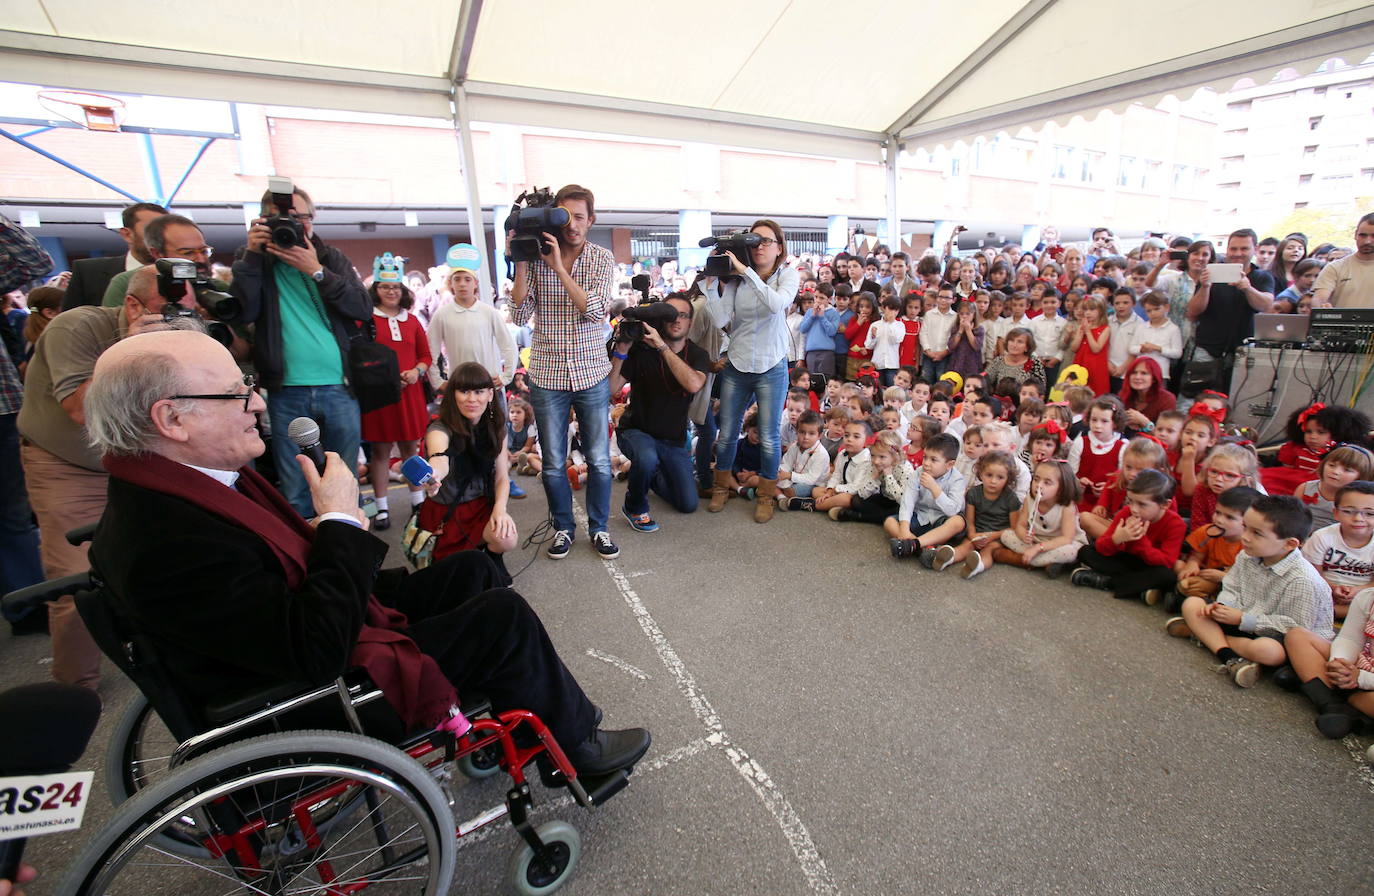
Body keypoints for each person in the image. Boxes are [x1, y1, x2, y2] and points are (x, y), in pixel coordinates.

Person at [85, 330, 651, 778]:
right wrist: (334, 519)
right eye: (236, 392)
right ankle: (577, 743)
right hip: (312, 694)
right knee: (502, 617)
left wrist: (319, 527)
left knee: (475, 568)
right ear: (171, 419)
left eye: (248, 385)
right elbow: (315, 650)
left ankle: (517, 718)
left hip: (305, 634)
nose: (257, 401)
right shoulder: (166, 536)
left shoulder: (181, 489)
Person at [16, 266, 203, 684]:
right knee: (77, 585)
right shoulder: (77, 326)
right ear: (133, 304)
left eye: (186, 309)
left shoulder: (182, 330)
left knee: (172, 563)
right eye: (168, 310)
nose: (179, 318)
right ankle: (76, 692)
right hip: (69, 466)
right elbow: (82, 410)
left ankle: (182, 665)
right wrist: (129, 348)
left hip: (142, 461)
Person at [230, 183, 372, 518]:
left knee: (345, 479)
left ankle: (349, 551)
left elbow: (361, 307)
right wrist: (252, 256)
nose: (291, 224)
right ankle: (306, 561)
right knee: (296, 486)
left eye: (300, 217)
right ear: (262, 221)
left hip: (339, 387)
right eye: (280, 218)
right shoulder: (254, 262)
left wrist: (316, 270)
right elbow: (243, 311)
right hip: (286, 390)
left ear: (312, 220)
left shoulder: (330, 257)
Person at [508, 186, 619, 558]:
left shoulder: (602, 258)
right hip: (547, 373)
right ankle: (563, 528)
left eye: (581, 216)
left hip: (591, 372)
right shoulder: (537, 257)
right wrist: (522, 261)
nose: (573, 225)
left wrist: (558, 267)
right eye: (565, 216)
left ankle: (599, 528)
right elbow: (520, 315)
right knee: (553, 462)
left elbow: (595, 310)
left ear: (592, 220)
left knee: (599, 459)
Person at [1165, 496, 1334, 689]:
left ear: (1289, 544)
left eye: (1257, 533)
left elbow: (1296, 628)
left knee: (1269, 652)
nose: (1245, 537)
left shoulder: (1302, 580)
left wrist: (1244, 619)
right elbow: (1232, 585)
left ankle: (1203, 636)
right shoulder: (1247, 554)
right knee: (1192, 604)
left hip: (1276, 637)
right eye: (1245, 527)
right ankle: (1228, 656)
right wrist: (1221, 607)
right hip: (1240, 620)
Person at [704, 219, 798, 524]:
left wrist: (746, 273)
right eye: (755, 242)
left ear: (780, 247)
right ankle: (721, 488)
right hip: (738, 363)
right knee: (728, 432)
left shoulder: (788, 275)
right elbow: (721, 320)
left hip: (772, 366)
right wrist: (713, 286)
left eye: (766, 241)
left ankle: (766, 495)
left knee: (770, 436)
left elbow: (776, 304)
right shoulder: (737, 278)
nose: (760, 247)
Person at [609, 292, 710, 532]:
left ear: (690, 322)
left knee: (687, 503)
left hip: (673, 440)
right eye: (670, 315)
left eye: (682, 316)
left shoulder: (697, 355)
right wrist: (621, 350)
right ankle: (635, 506)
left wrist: (663, 348)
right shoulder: (641, 351)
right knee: (646, 456)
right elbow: (612, 389)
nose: (676, 320)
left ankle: (650, 476)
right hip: (636, 431)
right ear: (661, 319)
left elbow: (693, 384)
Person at [415, 361, 517, 568]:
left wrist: (500, 509)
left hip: (480, 506)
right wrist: (434, 474)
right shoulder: (439, 428)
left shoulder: (497, 427)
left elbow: (502, 477)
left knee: (506, 536)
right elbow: (439, 458)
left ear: (490, 394)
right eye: (464, 391)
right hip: (446, 511)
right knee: (451, 576)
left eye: (479, 391)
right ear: (453, 394)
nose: (472, 399)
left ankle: (491, 560)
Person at [361, 260, 433, 530]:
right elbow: (359, 356)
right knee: (379, 451)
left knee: (410, 450)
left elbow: (425, 355)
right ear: (376, 289)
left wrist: (417, 371)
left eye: (395, 287)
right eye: (384, 287)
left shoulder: (412, 321)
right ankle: (381, 508)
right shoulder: (365, 321)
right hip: (380, 396)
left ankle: (417, 501)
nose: (390, 292)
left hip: (410, 393)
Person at [426, 244, 518, 414]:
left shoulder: (488, 312)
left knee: (495, 435)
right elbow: (431, 350)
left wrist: (506, 377)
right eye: (457, 279)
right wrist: (437, 381)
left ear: (475, 283)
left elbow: (508, 346)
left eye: (467, 279)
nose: (462, 284)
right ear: (451, 283)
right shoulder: (442, 315)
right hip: (460, 388)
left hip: (488, 386)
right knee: (463, 436)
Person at [1071, 469, 1186, 602]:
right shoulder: (1126, 512)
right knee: (1086, 552)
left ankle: (1107, 582)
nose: (1134, 509)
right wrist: (1116, 539)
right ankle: (1139, 589)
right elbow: (1101, 547)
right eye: (1131, 501)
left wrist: (1141, 540)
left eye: (1142, 504)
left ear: (1165, 505)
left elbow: (1166, 561)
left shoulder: (1176, 524)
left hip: (1150, 565)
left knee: (1167, 575)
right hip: (1126, 560)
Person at [1186, 229, 1277, 391]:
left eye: (1244, 248)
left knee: (1237, 400)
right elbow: (1192, 312)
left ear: (1254, 249)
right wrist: (1205, 287)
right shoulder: (1211, 272)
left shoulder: (1262, 276)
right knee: (1194, 399)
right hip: (1208, 348)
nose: (1238, 253)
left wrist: (1248, 289)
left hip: (1244, 350)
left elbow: (1266, 305)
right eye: (1233, 249)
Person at [60, 201, 165, 310]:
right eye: (153, 230)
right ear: (127, 234)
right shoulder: (89, 272)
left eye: (165, 232)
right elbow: (70, 321)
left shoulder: (178, 272)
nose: (162, 238)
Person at [936, 450, 1021, 580]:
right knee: (967, 546)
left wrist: (991, 536)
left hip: (998, 536)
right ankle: (948, 558)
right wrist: (972, 535)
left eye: (1000, 477)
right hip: (976, 533)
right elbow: (970, 521)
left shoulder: (1011, 499)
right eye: (989, 475)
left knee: (989, 550)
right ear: (980, 473)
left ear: (1008, 478)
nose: (993, 481)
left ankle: (978, 566)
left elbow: (1013, 528)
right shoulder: (974, 493)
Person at [885, 433, 967, 565]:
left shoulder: (957, 479)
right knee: (889, 521)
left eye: (934, 460)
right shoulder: (918, 472)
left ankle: (913, 544)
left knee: (958, 522)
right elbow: (908, 502)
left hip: (941, 521)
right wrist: (905, 528)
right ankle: (923, 549)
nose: (927, 463)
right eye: (925, 457)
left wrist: (935, 489)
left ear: (950, 464)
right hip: (920, 517)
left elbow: (953, 511)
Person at [996, 459, 1085, 576]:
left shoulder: (1067, 506)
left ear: (1061, 488)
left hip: (1060, 543)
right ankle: (1045, 562)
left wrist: (1038, 548)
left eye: (1047, 483)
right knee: (1006, 535)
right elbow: (1020, 525)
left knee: (1072, 552)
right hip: (1037, 539)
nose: (1039, 485)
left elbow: (1066, 538)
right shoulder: (1029, 499)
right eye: (1036, 479)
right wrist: (1023, 535)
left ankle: (1021, 560)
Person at [1301, 481, 1374, 622]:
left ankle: (1336, 613)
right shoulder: (1322, 537)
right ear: (1335, 513)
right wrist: (1333, 588)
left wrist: (1359, 590)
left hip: (1365, 595)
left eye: (1369, 513)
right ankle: (1346, 614)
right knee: (1303, 589)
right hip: (1324, 590)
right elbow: (1311, 574)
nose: (1358, 518)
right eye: (1348, 511)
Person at [1173, 486, 1259, 604]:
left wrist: (1222, 577)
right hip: (1204, 573)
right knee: (1178, 565)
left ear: (1248, 523)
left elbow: (1246, 579)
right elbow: (1196, 556)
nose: (1219, 520)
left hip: (1227, 582)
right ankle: (1188, 595)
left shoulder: (1249, 546)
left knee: (1205, 587)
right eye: (1218, 513)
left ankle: (1189, 598)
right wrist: (1192, 564)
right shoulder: (1207, 531)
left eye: (1230, 517)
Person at [1296, 444, 1374, 534]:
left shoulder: (1360, 501)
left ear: (1362, 476)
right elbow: (1293, 517)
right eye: (1332, 465)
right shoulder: (1305, 488)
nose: (1335, 472)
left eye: (1347, 470)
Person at [1066, 395, 1126, 512]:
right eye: (1094, 420)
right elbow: (1070, 475)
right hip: (1081, 502)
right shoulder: (1080, 443)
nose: (1098, 425)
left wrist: (1109, 488)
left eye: (1104, 421)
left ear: (1115, 423)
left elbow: (1124, 481)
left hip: (1108, 505)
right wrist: (1079, 482)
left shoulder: (1122, 447)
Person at [1312, 212, 1374, 308]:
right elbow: (1319, 299)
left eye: (1373, 236)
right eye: (1363, 235)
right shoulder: (1335, 267)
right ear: (1355, 235)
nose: (1367, 241)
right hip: (1342, 323)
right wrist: (1322, 307)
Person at [1117, 357, 1177, 434]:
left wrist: (1145, 423)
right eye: (1134, 373)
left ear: (1154, 379)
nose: (1137, 377)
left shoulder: (1167, 399)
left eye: (1144, 373)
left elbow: (1166, 436)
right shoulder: (1123, 395)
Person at [918, 285, 957, 384]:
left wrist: (945, 352)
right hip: (928, 355)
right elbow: (923, 333)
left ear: (954, 300)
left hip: (945, 356)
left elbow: (954, 338)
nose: (943, 300)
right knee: (926, 380)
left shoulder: (956, 317)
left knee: (942, 381)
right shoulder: (929, 314)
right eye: (940, 297)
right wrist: (928, 350)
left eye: (947, 298)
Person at [798, 285, 839, 377]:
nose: (818, 300)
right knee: (812, 379)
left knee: (825, 378)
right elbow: (803, 329)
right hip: (811, 352)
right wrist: (812, 316)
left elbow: (832, 332)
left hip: (826, 352)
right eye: (816, 297)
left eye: (822, 298)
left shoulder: (833, 313)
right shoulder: (809, 312)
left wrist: (822, 317)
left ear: (829, 299)